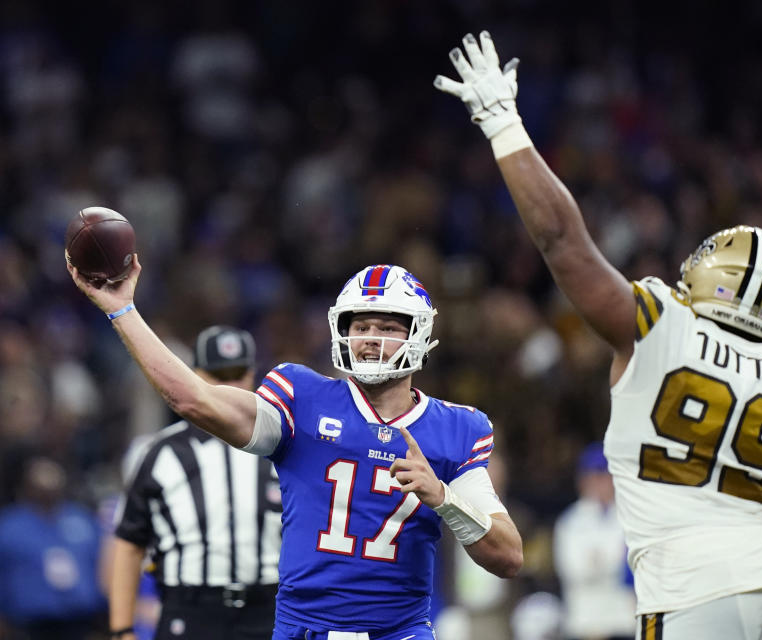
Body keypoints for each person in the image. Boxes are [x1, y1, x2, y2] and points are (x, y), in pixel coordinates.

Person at [436, 30, 762, 640]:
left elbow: (563, 240)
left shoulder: (659, 321)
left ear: (697, 279)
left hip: (691, 591)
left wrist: (503, 124)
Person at [66, 257, 523, 640]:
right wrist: (122, 310)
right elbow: (192, 398)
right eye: (361, 325)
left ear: (418, 336)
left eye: (387, 327)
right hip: (304, 629)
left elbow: (508, 557)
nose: (370, 338)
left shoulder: (457, 428)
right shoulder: (301, 397)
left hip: (400, 630)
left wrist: (444, 499)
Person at [107, 325, 282, 640]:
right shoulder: (161, 453)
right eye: (218, 375)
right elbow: (129, 541)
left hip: (269, 609)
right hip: (190, 610)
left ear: (253, 375)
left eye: (237, 373)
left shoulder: (281, 446)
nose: (229, 385)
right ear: (194, 376)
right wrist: (122, 630)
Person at [0, 457, 108, 640]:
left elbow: (101, 564)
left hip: (80, 622)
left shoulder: (80, 519)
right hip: (28, 624)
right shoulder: (10, 526)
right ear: (27, 487)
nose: (47, 491)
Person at [553, 443, 635, 640]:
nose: (600, 483)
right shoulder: (570, 521)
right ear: (582, 480)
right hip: (583, 624)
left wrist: (599, 559)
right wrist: (613, 561)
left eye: (605, 476)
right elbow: (573, 569)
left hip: (622, 623)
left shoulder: (630, 517)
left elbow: (632, 565)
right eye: (594, 476)